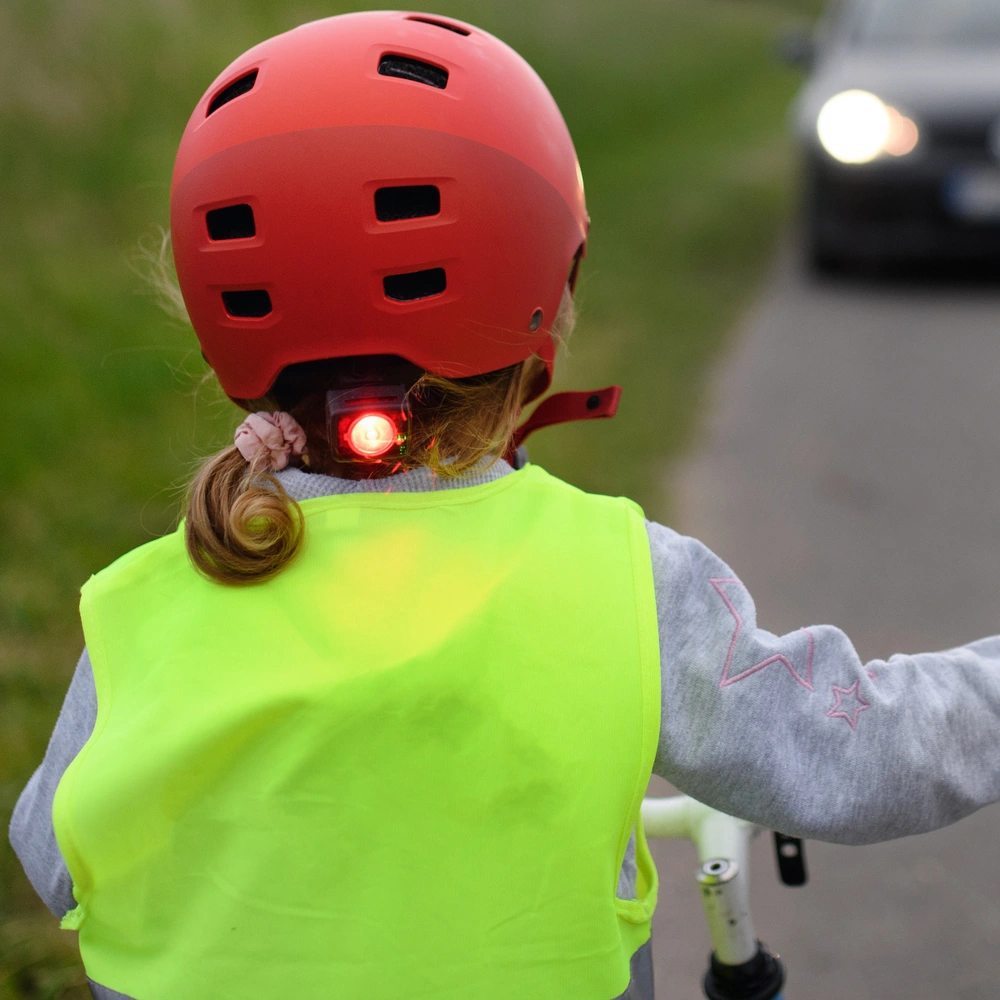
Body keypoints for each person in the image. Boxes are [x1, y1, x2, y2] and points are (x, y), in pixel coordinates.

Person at [9, 10, 1000, 1000]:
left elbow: (54, 854)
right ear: (544, 282)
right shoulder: (616, 578)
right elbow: (863, 750)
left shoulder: (144, 601)